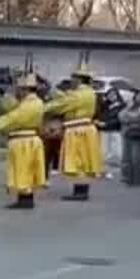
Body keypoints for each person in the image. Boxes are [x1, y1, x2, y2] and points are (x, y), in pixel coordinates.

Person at [0, 71, 47, 210]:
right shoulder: (31, 102)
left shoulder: (30, 105)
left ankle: (25, 199)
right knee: (25, 169)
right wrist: (4, 97)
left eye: (19, 89)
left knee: (23, 169)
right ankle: (25, 197)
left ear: (25, 89)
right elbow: (14, 107)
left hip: (24, 140)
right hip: (27, 139)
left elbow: (13, 117)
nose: (17, 92)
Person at [49, 62, 104, 202]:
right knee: (83, 160)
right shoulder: (87, 92)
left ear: (79, 79)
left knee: (79, 160)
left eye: (73, 78)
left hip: (78, 130)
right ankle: (80, 190)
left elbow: (61, 105)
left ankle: (80, 190)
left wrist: (42, 107)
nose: (72, 81)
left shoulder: (79, 94)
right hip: (83, 128)